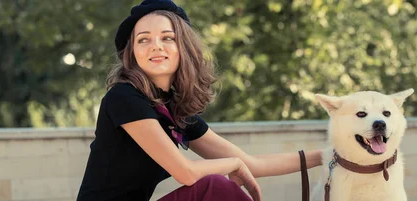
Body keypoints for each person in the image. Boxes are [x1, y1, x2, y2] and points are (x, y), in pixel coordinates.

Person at [75, 1, 323, 201]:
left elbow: (253, 164)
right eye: (143, 39)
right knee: (212, 185)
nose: (155, 46)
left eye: (167, 38)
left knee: (214, 186)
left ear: (184, 47)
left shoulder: (174, 112)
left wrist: (330, 155)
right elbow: (186, 173)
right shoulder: (124, 97)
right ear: (133, 53)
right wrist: (233, 165)